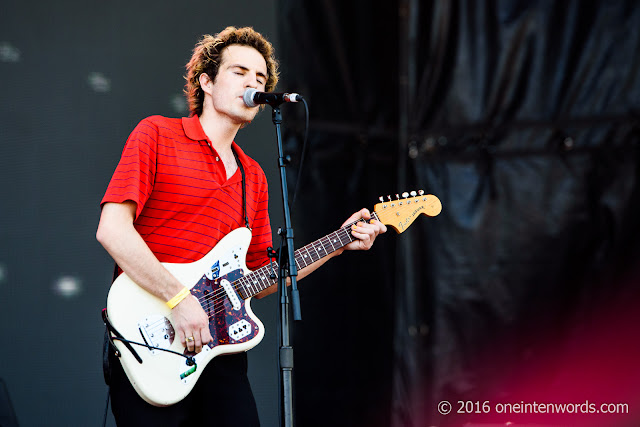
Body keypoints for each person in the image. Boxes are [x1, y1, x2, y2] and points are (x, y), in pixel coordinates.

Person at [96, 26, 386, 426]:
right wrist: (180, 301)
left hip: (222, 354)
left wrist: (340, 242)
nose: (254, 82)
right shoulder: (157, 134)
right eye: (240, 72)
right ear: (206, 82)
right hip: (152, 339)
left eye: (261, 78)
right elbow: (112, 230)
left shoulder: (254, 177)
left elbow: (261, 278)